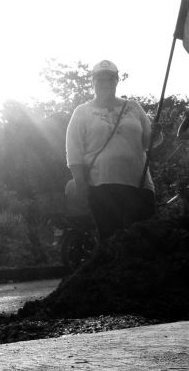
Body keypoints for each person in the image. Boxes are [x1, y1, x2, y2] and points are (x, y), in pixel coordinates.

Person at [65, 59, 157, 241]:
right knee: (112, 243)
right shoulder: (82, 112)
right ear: (92, 82)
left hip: (140, 185)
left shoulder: (133, 107)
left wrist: (156, 134)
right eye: (100, 79)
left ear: (116, 81)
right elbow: (73, 150)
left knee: (144, 242)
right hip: (102, 187)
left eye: (110, 78)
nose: (105, 83)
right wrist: (81, 184)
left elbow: (148, 143)